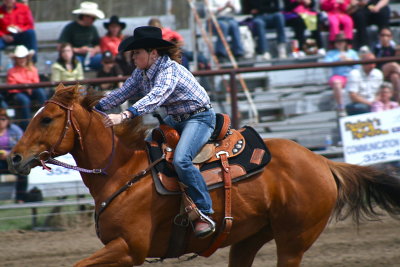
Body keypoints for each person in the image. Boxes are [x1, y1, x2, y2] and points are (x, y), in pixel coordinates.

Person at [95, 26, 216, 238]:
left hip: (199, 118)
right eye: (133, 53)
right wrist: (93, 109)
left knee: (181, 160)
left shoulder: (170, 70)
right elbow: (121, 93)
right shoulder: (140, 72)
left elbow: (156, 97)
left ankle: (204, 212)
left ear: (153, 53)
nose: (133, 57)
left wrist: (124, 116)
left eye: (137, 52)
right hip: (175, 119)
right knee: (147, 150)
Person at [6, 45, 46, 130]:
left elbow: (36, 82)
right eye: (19, 58)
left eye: (23, 57)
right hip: (18, 93)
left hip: (31, 90)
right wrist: (26, 86)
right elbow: (12, 87)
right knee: (24, 100)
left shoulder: (33, 69)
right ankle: (27, 126)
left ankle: (45, 115)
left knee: (40, 92)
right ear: (16, 59)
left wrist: (26, 86)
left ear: (27, 58)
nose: (21, 59)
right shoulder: (11, 71)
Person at [57, 1, 105, 70]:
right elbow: (60, 47)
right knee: (75, 62)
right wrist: (78, 50)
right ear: (85, 17)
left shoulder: (93, 28)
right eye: (93, 18)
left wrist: (93, 50)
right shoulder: (70, 28)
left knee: (103, 60)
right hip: (76, 56)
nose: (93, 21)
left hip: (91, 57)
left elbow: (97, 45)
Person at [324, 33, 359, 116]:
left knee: (356, 78)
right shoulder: (331, 53)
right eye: (338, 41)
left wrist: (349, 60)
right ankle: (341, 107)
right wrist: (338, 59)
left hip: (351, 76)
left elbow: (359, 66)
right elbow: (326, 63)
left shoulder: (352, 52)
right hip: (338, 76)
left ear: (346, 42)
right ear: (335, 43)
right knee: (336, 82)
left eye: (342, 41)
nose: (340, 43)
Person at [0, 108, 26, 203]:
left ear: (7, 120)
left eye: (3, 119)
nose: (1, 122)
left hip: (11, 160)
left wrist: (9, 154)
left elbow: (22, 147)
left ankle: (20, 198)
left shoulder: (15, 130)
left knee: (22, 171)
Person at [372, 27, 400, 102]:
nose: (385, 37)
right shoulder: (375, 48)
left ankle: (397, 101)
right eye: (383, 35)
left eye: (387, 35)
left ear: (391, 37)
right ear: (379, 36)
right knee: (393, 65)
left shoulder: (394, 49)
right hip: (378, 72)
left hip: (392, 73)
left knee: (395, 77)